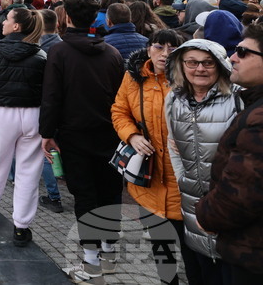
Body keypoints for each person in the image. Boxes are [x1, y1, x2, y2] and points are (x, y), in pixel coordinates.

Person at [41, 0, 125, 282]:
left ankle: (91, 260)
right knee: (109, 193)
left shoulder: (60, 53)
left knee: (85, 195)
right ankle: (110, 252)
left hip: (74, 135)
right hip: (110, 135)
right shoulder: (112, 54)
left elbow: (51, 96)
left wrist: (46, 133)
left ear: (66, 17)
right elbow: (120, 98)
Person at [112, 29, 188, 285]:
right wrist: (131, 135)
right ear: (148, 49)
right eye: (159, 47)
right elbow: (119, 110)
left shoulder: (190, 77)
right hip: (151, 176)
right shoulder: (134, 78)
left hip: (183, 179)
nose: (165, 54)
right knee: (161, 245)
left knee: (193, 248)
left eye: (172, 48)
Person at [164, 39, 240, 285]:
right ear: (181, 65)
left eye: (208, 63)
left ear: (220, 65)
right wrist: (182, 179)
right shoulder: (174, 99)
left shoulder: (237, 98)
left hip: (230, 204)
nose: (200, 69)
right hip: (192, 203)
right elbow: (172, 144)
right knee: (201, 270)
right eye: (192, 62)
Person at [196, 23, 263, 284]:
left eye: (243, 52)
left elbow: (243, 193)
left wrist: (205, 214)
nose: (233, 57)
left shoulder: (259, 119)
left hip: (252, 253)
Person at [0, 7, 47, 247]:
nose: (3, 23)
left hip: (0, 112)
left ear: (16, 26)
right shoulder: (41, 56)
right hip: (32, 115)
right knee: (29, 172)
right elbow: (48, 93)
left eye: (7, 20)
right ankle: (21, 227)